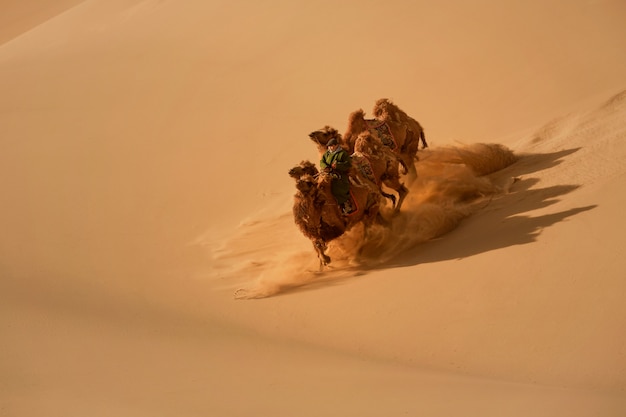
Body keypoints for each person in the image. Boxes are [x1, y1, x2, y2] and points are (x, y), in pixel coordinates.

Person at [320, 138, 354, 214]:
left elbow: (348, 164)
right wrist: (325, 167)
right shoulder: (327, 154)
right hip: (327, 174)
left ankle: (345, 205)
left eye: (331, 146)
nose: (330, 147)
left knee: (337, 188)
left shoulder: (342, 154)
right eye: (329, 146)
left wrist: (338, 166)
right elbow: (322, 161)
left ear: (336, 145)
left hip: (339, 175)